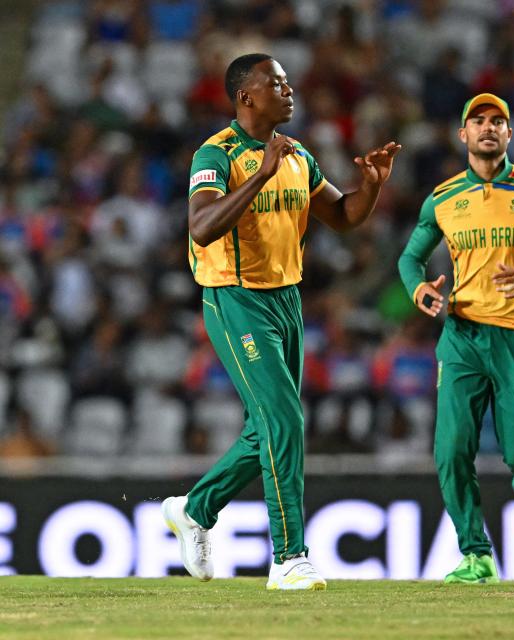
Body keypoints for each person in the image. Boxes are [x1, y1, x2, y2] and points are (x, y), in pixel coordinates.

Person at [161, 53, 400, 591]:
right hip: (235, 298)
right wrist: (260, 175)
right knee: (285, 422)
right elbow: (201, 227)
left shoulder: (295, 156)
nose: (289, 90)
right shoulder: (215, 153)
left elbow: (342, 217)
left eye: (289, 82)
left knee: (269, 427)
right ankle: (289, 558)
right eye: (277, 83)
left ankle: (194, 510)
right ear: (246, 96)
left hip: (286, 299)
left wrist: (374, 187)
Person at [398, 93, 514, 584]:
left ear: (509, 134)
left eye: (497, 121)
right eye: (478, 121)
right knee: (450, 449)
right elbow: (408, 259)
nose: (487, 127)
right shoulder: (442, 198)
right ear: (463, 134)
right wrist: (418, 289)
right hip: (462, 335)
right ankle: (476, 554)